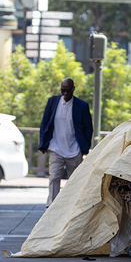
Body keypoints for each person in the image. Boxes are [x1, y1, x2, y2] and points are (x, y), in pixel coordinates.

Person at [38, 78, 93, 208]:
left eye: (67, 91)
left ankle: (72, 206)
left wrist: (84, 148)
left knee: (74, 180)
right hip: (55, 147)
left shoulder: (82, 106)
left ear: (73, 89)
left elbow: (88, 128)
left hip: (74, 149)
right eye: (62, 90)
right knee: (54, 177)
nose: (64, 93)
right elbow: (44, 124)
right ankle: (52, 206)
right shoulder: (52, 102)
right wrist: (43, 144)